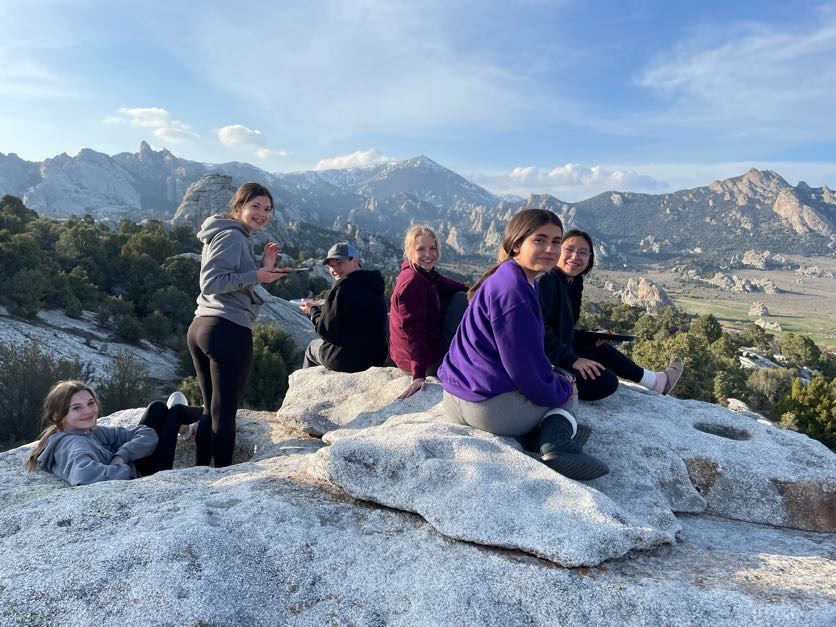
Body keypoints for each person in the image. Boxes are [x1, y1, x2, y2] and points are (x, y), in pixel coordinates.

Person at [438, 209, 608, 481]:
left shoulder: (505, 277)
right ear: (517, 244)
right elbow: (525, 371)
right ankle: (555, 443)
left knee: (555, 378)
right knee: (568, 391)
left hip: (455, 398)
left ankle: (536, 433)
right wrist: (562, 387)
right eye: (539, 240)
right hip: (487, 410)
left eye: (555, 241)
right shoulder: (515, 293)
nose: (550, 249)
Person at [188, 182, 291, 468]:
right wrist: (258, 275)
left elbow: (231, 275)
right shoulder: (233, 236)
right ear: (239, 206)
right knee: (225, 413)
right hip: (227, 328)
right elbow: (211, 282)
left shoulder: (229, 233)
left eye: (267, 209)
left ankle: (199, 472)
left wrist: (262, 266)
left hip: (203, 326)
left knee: (211, 409)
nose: (262, 213)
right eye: (255, 206)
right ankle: (222, 475)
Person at [539, 229, 683, 401]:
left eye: (583, 252)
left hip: (555, 350)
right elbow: (539, 329)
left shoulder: (573, 281)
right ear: (556, 250)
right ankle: (551, 384)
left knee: (600, 348)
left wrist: (589, 338)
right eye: (569, 249)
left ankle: (656, 382)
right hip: (543, 360)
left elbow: (562, 328)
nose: (575, 256)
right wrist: (572, 360)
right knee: (606, 382)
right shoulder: (546, 280)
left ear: (590, 258)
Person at [25, 381, 202, 485]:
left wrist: (122, 455)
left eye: (90, 403)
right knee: (176, 412)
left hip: (130, 463)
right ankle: (205, 415)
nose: (88, 411)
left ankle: (184, 427)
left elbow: (144, 433)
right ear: (58, 416)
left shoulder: (87, 431)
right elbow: (84, 475)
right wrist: (122, 467)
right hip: (141, 478)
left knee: (157, 408)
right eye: (77, 408)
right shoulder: (74, 443)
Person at [389, 225, 468, 399]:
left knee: (460, 294)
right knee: (462, 300)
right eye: (421, 249)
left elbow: (450, 285)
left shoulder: (423, 274)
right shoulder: (412, 284)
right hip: (420, 363)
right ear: (410, 251)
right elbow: (415, 333)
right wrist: (418, 376)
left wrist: (480, 290)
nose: (428, 254)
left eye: (432, 248)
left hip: (413, 355)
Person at [300, 242, 388, 372]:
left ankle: (306, 389)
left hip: (347, 361)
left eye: (339, 263)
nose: (334, 269)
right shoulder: (374, 283)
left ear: (355, 261)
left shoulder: (343, 285)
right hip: (376, 358)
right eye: (331, 266)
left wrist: (312, 311)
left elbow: (327, 332)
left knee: (312, 347)